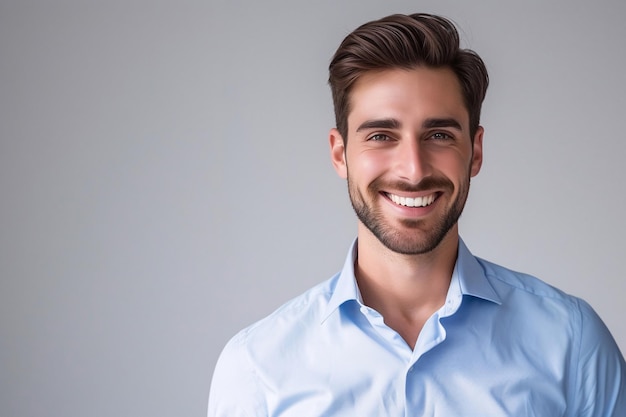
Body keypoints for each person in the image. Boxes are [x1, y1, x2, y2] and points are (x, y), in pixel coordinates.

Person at [208, 13, 626, 416]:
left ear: (475, 152)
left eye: (439, 134)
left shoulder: (572, 341)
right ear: (340, 154)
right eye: (381, 136)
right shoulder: (257, 367)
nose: (413, 169)